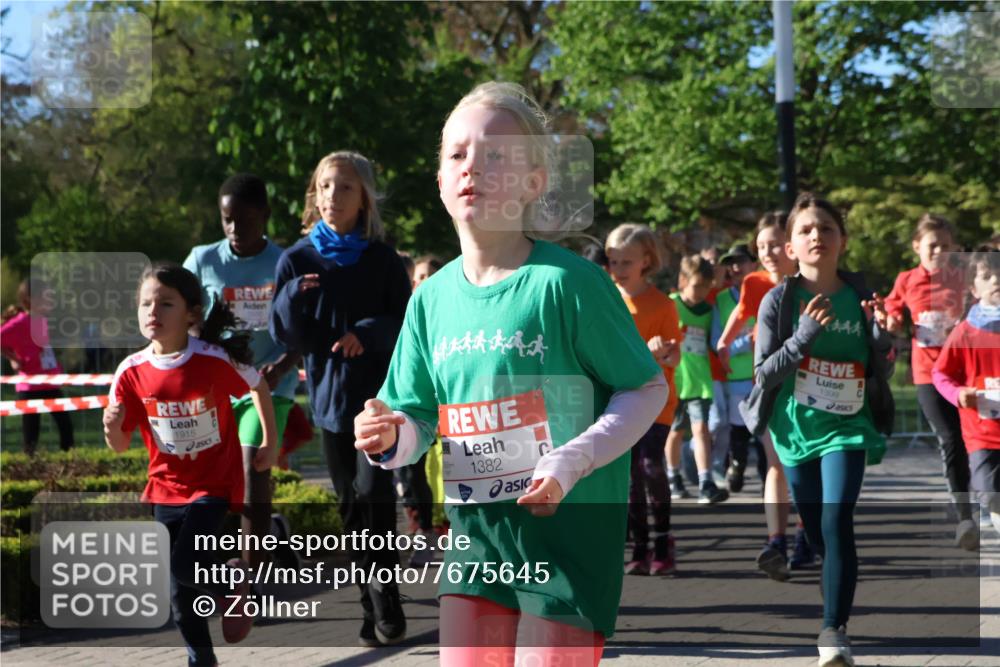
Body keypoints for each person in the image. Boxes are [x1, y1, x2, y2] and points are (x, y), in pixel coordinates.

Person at [354, 81, 667, 666]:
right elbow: (417, 416)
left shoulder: (568, 283)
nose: (473, 166)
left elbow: (647, 387)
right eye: (458, 154)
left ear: (534, 183)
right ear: (441, 180)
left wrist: (573, 459)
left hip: (569, 546)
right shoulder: (431, 299)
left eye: (496, 156)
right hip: (476, 545)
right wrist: (391, 434)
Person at [741, 193, 895, 667]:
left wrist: (883, 337)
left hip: (848, 425)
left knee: (835, 520)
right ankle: (833, 597)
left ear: (842, 241)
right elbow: (764, 372)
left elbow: (880, 372)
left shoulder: (862, 300)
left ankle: (833, 631)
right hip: (794, 429)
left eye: (826, 229)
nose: (816, 237)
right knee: (819, 529)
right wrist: (803, 335)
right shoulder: (779, 300)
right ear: (789, 246)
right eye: (806, 230)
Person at [270, 150, 412, 646]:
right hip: (330, 403)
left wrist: (367, 334)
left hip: (377, 400)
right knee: (351, 506)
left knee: (374, 493)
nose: (334, 196)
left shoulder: (382, 258)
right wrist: (291, 297)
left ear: (364, 198)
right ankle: (366, 600)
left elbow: (405, 322)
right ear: (316, 193)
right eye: (326, 186)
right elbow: (286, 334)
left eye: (346, 187)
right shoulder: (297, 259)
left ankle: (387, 590)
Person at [104, 263, 278, 666]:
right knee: (181, 599)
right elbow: (118, 444)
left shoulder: (213, 359)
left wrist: (269, 442)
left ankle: (232, 582)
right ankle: (202, 659)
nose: (153, 312)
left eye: (165, 303)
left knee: (186, 565)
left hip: (213, 484)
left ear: (191, 314)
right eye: (145, 303)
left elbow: (258, 387)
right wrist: (111, 425)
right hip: (165, 487)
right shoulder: (129, 372)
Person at [184, 173, 302, 572]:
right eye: (226, 220)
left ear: (264, 215)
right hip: (217, 385)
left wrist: (282, 365)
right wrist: (206, 343)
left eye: (244, 219)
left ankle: (251, 577)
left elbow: (302, 330)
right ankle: (217, 564)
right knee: (212, 477)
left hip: (269, 386)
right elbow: (182, 311)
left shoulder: (284, 262)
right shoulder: (203, 260)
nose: (235, 229)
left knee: (254, 465)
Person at [884, 214, 977, 549]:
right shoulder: (907, 280)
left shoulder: (963, 278)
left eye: (945, 246)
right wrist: (891, 321)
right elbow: (892, 312)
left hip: (967, 372)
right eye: (932, 245)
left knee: (977, 440)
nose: (938, 251)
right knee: (950, 438)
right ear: (916, 247)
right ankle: (965, 516)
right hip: (928, 374)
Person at [718, 212, 799, 581]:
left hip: (808, 388)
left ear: (793, 245)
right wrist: (724, 339)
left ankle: (808, 535)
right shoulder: (753, 282)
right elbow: (741, 310)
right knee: (775, 462)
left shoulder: (809, 283)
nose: (767, 252)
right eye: (761, 246)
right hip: (767, 385)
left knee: (805, 468)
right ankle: (776, 541)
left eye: (775, 245)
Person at [606, 223, 682, 575]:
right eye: (613, 261)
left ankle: (663, 540)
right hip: (619, 399)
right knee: (630, 475)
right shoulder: (606, 299)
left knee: (650, 466)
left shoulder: (662, 304)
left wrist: (662, 352)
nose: (618, 270)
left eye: (626, 262)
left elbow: (675, 356)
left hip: (656, 400)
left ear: (646, 262)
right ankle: (640, 544)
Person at [932, 249, 1000, 537]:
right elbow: (941, 373)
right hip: (982, 433)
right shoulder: (965, 332)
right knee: (992, 496)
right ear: (974, 288)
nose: (997, 279)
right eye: (987, 276)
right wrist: (959, 394)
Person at [666, 255, 729, 505]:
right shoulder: (671, 304)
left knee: (701, 429)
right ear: (682, 281)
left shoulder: (708, 312)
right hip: (675, 380)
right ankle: (673, 477)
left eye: (706, 286)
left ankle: (705, 482)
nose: (701, 292)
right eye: (696, 286)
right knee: (675, 432)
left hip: (700, 381)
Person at [710, 243, 767, 493]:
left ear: (754, 264)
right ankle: (737, 466)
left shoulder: (768, 291)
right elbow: (717, 343)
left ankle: (769, 480)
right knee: (739, 429)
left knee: (766, 434)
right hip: (736, 377)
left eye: (741, 261)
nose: (735, 267)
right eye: (731, 263)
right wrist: (746, 341)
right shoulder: (722, 300)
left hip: (765, 376)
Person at [1, 279, 74, 454]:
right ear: (30, 299)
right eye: (46, 296)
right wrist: (13, 358)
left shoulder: (42, 320)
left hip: (50, 383)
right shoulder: (19, 322)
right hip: (30, 386)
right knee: (31, 435)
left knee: (66, 428)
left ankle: (70, 463)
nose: (50, 300)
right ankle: (29, 470)